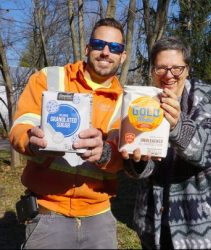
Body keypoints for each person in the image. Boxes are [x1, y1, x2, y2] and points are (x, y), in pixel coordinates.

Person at [9, 18, 127, 249]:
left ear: (122, 56)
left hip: (99, 219)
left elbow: (123, 160)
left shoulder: (127, 101)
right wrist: (30, 140)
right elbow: (20, 126)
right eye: (98, 44)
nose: (105, 52)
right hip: (48, 213)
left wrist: (104, 154)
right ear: (87, 48)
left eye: (114, 47)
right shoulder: (50, 78)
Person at [121, 36, 211, 249]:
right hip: (154, 229)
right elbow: (144, 167)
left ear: (187, 69)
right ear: (152, 71)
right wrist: (138, 162)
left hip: (204, 232)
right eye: (161, 68)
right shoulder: (143, 102)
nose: (169, 75)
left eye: (177, 68)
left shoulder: (206, 98)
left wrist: (177, 126)